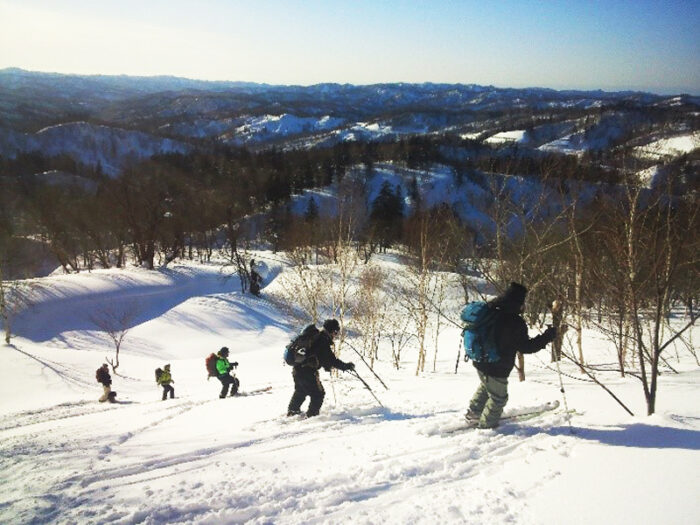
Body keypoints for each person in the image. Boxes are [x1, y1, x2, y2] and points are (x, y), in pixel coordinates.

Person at [466, 282, 556, 429]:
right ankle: (487, 427)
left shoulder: (491, 310)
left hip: (480, 360)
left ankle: (474, 414)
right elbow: (526, 347)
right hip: (497, 366)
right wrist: (548, 336)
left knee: (487, 385)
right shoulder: (514, 322)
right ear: (518, 302)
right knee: (499, 398)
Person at [287, 319, 355, 418]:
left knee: (301, 391)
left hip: (297, 369)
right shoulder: (322, 341)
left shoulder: (316, 337)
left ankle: (292, 412)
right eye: (336, 332)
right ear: (332, 331)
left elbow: (323, 359)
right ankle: (312, 417)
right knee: (318, 394)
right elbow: (331, 360)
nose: (336, 335)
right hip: (307, 372)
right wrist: (345, 366)